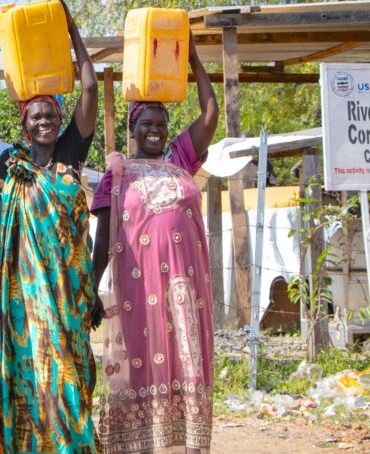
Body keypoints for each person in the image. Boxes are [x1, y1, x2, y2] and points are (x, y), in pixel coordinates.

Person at [0, 1, 102, 452]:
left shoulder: (71, 156)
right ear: (25, 125)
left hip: (68, 295)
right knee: (29, 378)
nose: (46, 121)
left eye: (51, 114)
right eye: (37, 116)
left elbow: (88, 89)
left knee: (68, 379)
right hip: (19, 300)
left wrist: (71, 29)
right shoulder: (8, 166)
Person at [90, 30, 219, 453]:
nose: (156, 131)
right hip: (138, 289)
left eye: (162, 125)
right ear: (133, 128)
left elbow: (210, 113)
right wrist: (91, 287)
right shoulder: (117, 172)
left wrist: (194, 61)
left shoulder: (179, 158)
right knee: (142, 369)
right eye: (147, 124)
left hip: (185, 292)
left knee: (186, 364)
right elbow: (103, 235)